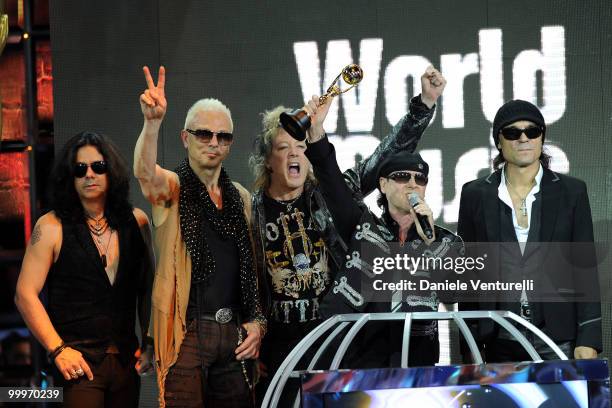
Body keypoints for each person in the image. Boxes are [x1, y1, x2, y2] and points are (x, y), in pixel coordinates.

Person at [250, 67, 446, 400]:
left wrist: (424, 106)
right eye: (285, 148)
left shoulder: (333, 193)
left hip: (334, 331)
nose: (296, 153)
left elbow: (387, 156)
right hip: (278, 338)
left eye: (302, 145)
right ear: (268, 159)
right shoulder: (250, 208)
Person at [134, 66, 266, 407]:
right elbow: (146, 174)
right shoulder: (173, 189)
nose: (214, 142)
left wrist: (256, 323)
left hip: (234, 333)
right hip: (187, 332)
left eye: (223, 137)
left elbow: (250, 269)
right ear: (185, 137)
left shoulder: (240, 198)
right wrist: (152, 123)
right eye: (204, 134)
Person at [14, 131, 154, 407]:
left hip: (126, 362)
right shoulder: (51, 226)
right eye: (80, 169)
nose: (89, 174)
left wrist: (150, 342)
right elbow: (24, 294)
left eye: (98, 167)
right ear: (70, 177)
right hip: (77, 365)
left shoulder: (137, 222)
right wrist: (58, 350)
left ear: (111, 171)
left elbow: (148, 288)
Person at [457, 99, 602, 362]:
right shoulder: (475, 194)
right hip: (498, 338)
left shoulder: (572, 191)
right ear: (499, 141)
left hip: (558, 337)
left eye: (532, 131)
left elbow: (585, 269)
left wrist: (589, 337)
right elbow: (470, 273)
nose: (524, 138)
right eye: (513, 133)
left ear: (541, 138)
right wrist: (469, 343)